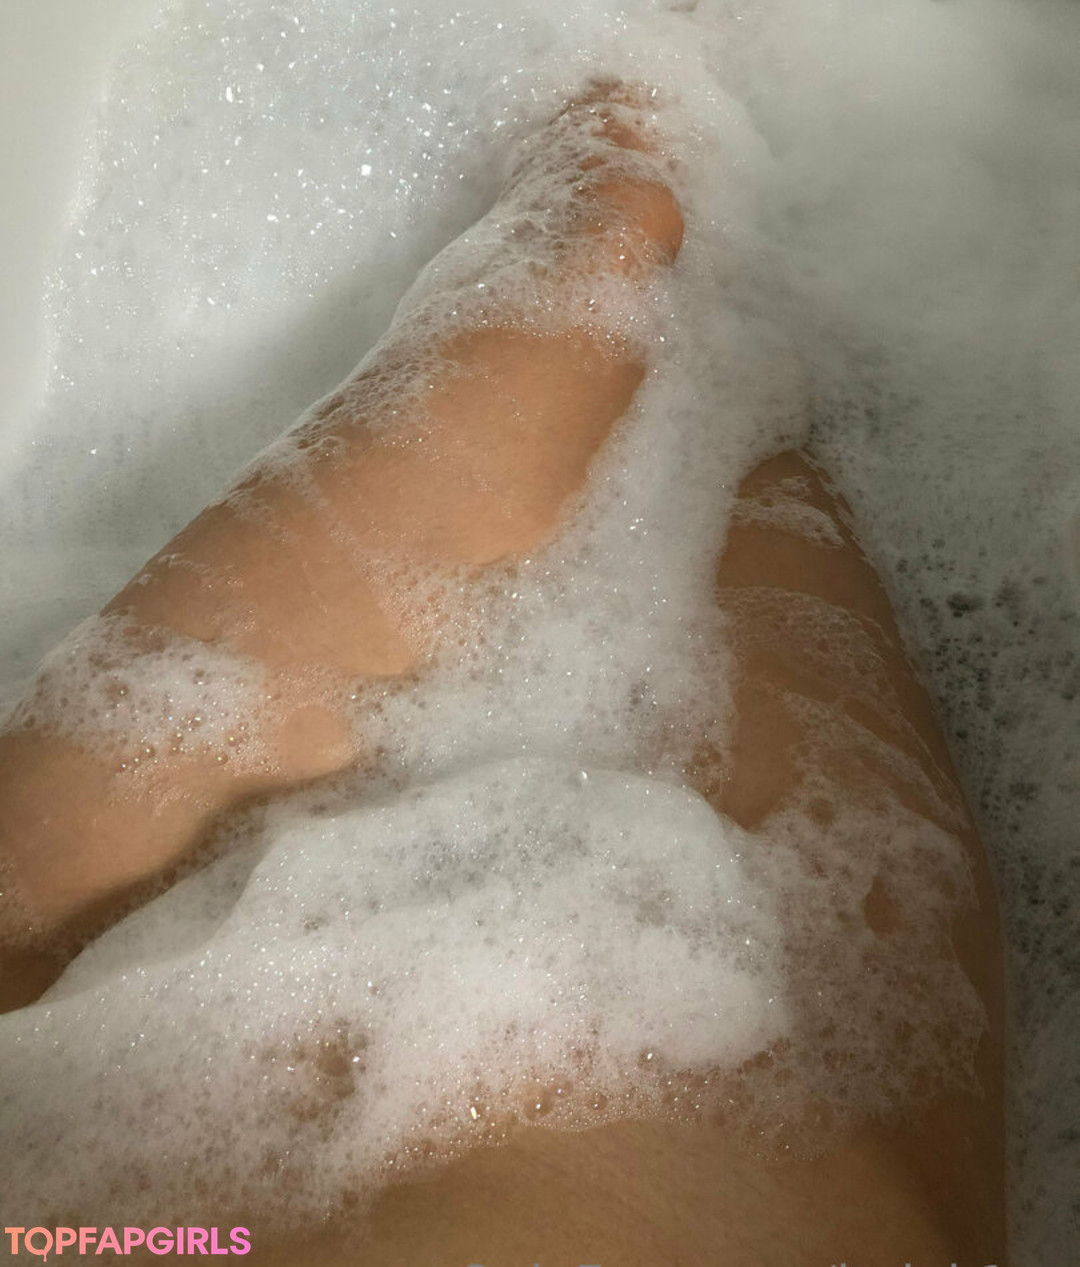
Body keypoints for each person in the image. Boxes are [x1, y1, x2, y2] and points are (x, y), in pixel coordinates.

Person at [0, 63, 1004, 1263]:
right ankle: (661, 171)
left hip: (97, 1053)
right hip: (746, 1097)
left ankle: (646, 173)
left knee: (678, 357)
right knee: (752, 440)